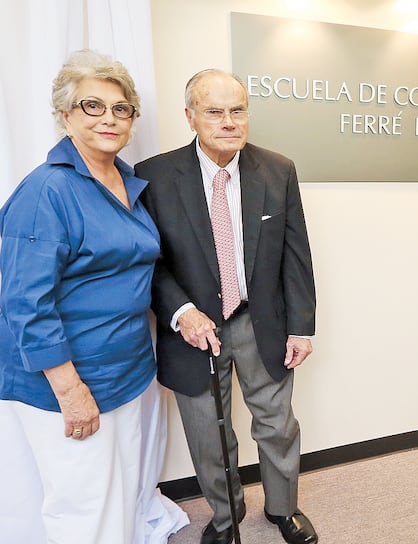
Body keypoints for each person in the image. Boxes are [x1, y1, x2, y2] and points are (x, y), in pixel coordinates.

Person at [135, 69, 318, 544]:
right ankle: (226, 516)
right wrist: (180, 311)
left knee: (277, 425)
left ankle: (283, 508)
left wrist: (302, 327)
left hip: (263, 323)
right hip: (194, 329)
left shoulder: (278, 170)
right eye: (214, 111)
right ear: (191, 116)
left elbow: (296, 255)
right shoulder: (152, 176)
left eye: (237, 110)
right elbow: (147, 261)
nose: (228, 122)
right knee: (209, 436)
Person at [0, 50, 159, 543]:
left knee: (120, 493)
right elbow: (25, 303)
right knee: (83, 506)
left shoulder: (125, 182)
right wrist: (70, 391)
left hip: (126, 368)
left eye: (121, 108)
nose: (108, 119)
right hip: (70, 376)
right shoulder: (47, 191)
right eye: (92, 106)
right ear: (65, 115)